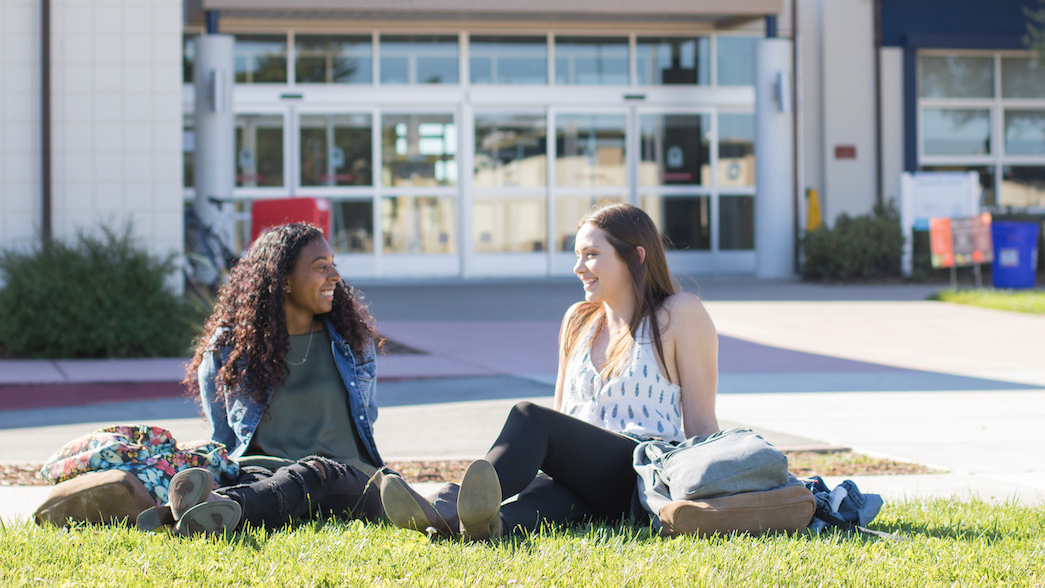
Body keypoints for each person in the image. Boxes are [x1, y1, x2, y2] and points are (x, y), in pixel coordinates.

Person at [380, 202, 719, 540]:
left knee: (531, 417)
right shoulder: (579, 320)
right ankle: (473, 528)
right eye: (576, 254)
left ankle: (446, 504)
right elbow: (563, 420)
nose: (578, 267)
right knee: (543, 500)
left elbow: (701, 425)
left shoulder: (677, 313)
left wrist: (718, 494)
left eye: (591, 254)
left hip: (639, 476)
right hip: (586, 481)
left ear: (637, 256)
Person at [137, 222, 385, 536]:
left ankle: (197, 512)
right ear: (284, 281)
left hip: (347, 476)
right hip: (262, 474)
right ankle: (205, 512)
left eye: (333, 265)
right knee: (263, 483)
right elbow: (224, 439)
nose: (335, 276)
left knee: (314, 472)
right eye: (321, 267)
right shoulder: (229, 351)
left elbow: (367, 420)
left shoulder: (351, 343)